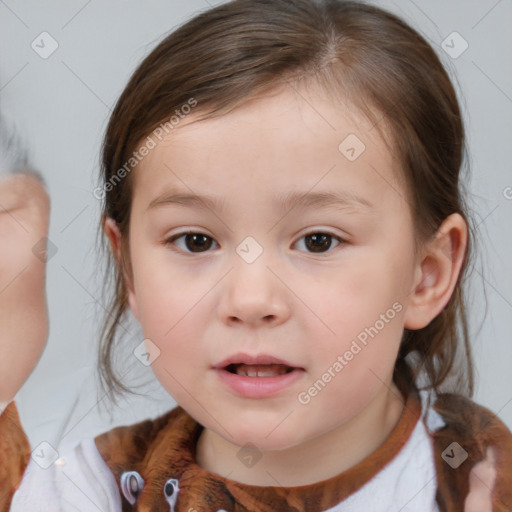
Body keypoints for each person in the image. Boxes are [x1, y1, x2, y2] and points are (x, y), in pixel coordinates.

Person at [1, 0, 511, 510]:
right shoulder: (73, 486)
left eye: (318, 241)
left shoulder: (482, 484)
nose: (250, 300)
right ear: (129, 270)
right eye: (195, 241)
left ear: (426, 276)